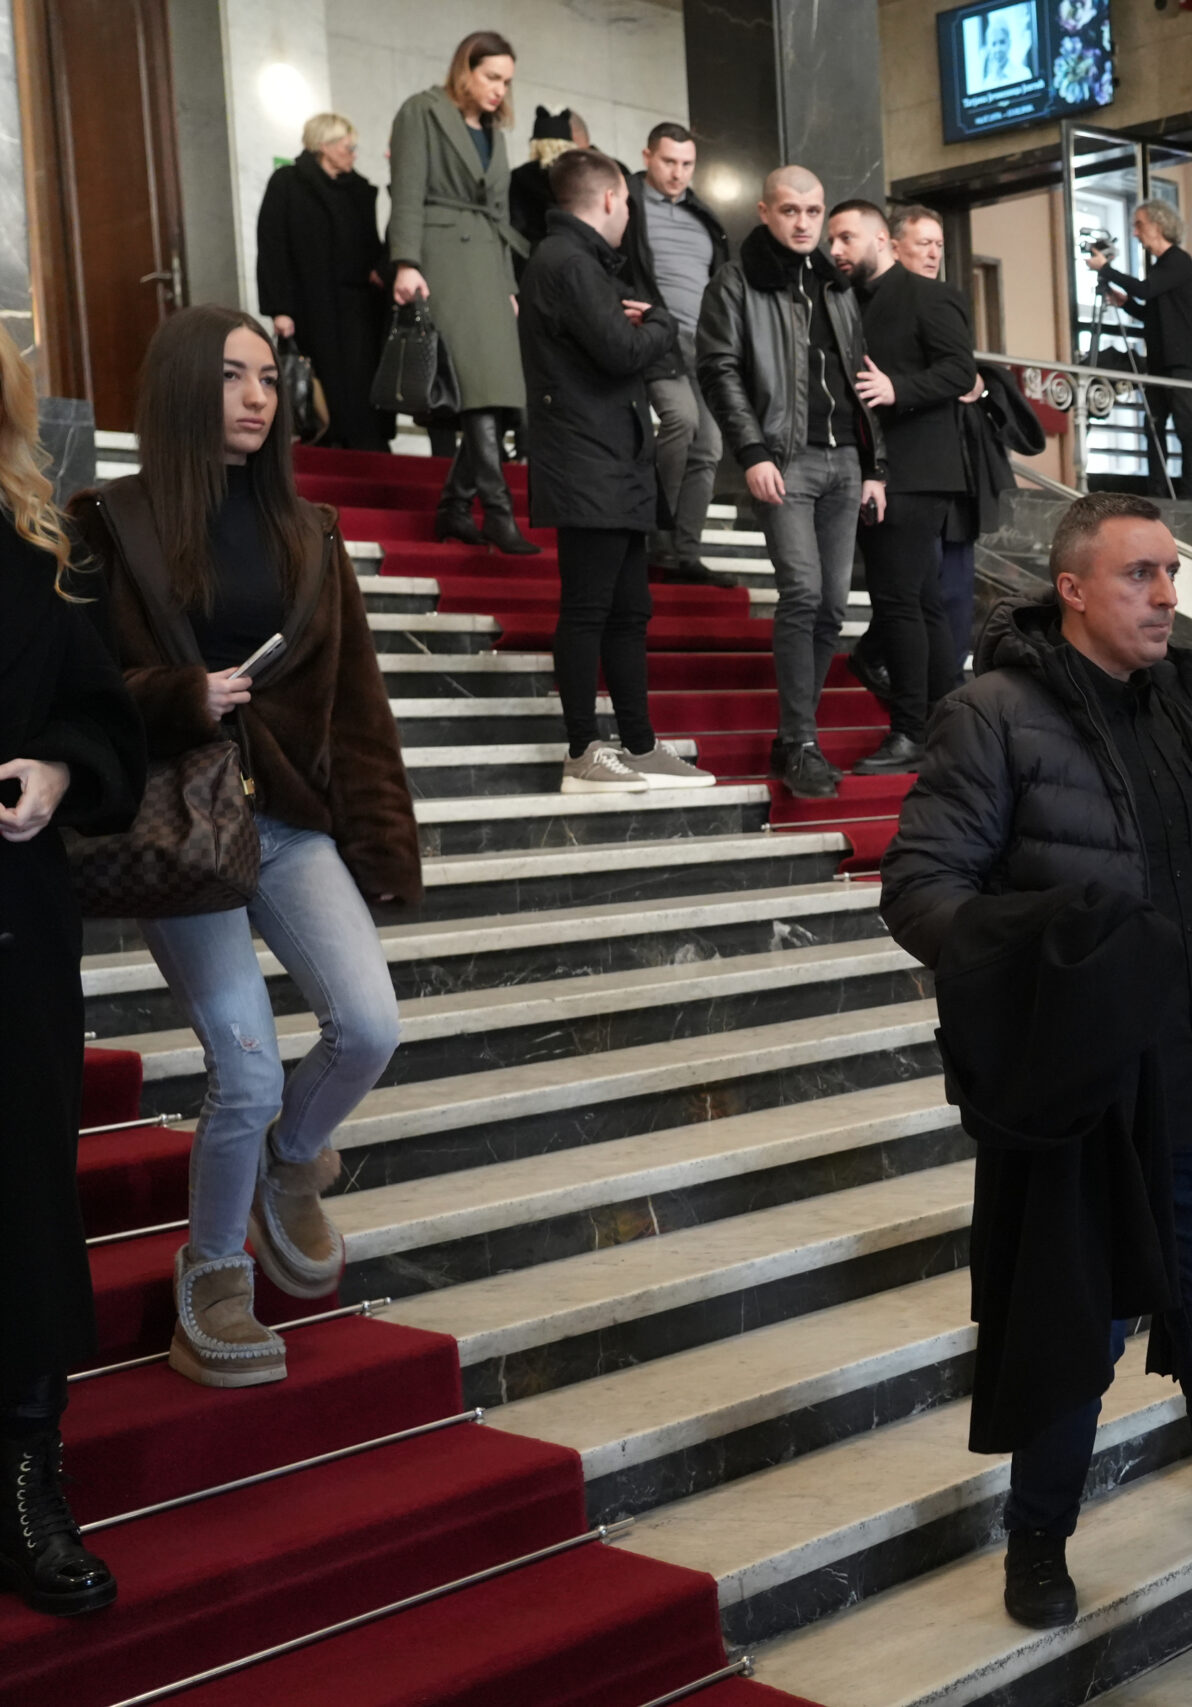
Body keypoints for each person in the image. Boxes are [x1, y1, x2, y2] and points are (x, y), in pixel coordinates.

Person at [880, 493, 1192, 1707]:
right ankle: (1038, 1532)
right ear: (1074, 590)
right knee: (1078, 1341)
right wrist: (1059, 949)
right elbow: (921, 890)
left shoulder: (1177, 712)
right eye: (1140, 574)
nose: (1165, 595)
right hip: (1086, 1105)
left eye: (1170, 573)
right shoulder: (993, 714)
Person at [74, 307, 417, 1390]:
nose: (258, 398)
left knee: (369, 1025)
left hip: (291, 821)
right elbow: (74, 687)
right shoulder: (107, 522)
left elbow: (356, 702)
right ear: (185, 386)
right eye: (231, 377)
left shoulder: (308, 530)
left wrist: (382, 844)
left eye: (270, 377)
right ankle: (215, 1272)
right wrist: (182, 695)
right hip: (183, 825)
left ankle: (287, 1162)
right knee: (247, 1067)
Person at [0, 331, 143, 1618]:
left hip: (13, 924)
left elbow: (106, 718)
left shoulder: (44, 553)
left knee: (25, 1195)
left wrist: (57, 770)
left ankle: (27, 1476)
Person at [519, 148, 715, 796]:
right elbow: (621, 350)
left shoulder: (580, 261)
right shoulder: (568, 261)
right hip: (587, 460)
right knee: (588, 609)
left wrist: (641, 327)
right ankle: (582, 750)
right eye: (627, 201)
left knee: (630, 610)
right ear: (609, 198)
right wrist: (660, 322)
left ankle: (639, 743)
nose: (629, 212)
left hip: (614, 459)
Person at [696, 167, 885, 801]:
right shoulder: (737, 281)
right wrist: (751, 451)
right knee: (802, 592)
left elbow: (857, 378)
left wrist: (875, 466)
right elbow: (718, 368)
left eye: (813, 211)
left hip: (845, 462)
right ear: (765, 212)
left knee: (832, 606)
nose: (803, 222)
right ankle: (801, 741)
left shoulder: (835, 284)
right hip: (786, 457)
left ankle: (792, 737)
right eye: (790, 211)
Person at [826, 200, 975, 776]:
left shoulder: (929, 296)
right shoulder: (845, 300)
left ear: (880, 239)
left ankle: (910, 731)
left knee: (897, 601)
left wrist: (898, 389)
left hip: (918, 471)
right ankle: (943, 724)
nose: (835, 249)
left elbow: (960, 371)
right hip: (878, 468)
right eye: (832, 240)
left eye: (845, 237)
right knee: (921, 601)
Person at [388, 31, 535, 554]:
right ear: (464, 69)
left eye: (507, 81)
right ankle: (497, 510)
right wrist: (406, 263)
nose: (500, 90)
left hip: (488, 264)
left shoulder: (495, 130)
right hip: (443, 256)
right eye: (491, 77)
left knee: (502, 389)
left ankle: (455, 506)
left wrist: (508, 285)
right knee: (477, 387)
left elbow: (499, 214)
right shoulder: (421, 112)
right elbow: (406, 191)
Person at [623, 123, 733, 586]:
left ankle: (686, 552)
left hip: (703, 342)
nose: (678, 172)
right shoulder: (626, 202)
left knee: (709, 447)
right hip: (656, 337)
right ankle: (657, 539)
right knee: (681, 421)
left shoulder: (702, 214)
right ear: (647, 156)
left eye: (687, 164)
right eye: (669, 161)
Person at [885, 205, 989, 675]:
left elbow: (964, 373)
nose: (933, 253)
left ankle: (941, 690)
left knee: (948, 591)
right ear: (894, 247)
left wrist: (979, 384)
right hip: (901, 469)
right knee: (915, 589)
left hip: (950, 468)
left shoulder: (945, 300)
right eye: (923, 243)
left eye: (939, 245)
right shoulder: (879, 307)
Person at [254, 112, 394, 452]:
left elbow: (371, 244)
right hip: (310, 305)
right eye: (348, 147)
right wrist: (279, 309)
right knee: (321, 381)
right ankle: (327, 444)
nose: (354, 154)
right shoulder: (288, 183)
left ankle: (367, 449)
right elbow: (273, 247)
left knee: (362, 382)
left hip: (358, 306)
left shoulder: (358, 189)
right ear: (324, 146)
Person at [1085, 198, 1192, 500]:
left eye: (1139, 225)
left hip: (1180, 360)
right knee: (1153, 425)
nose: (1135, 233)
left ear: (1159, 225)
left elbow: (1146, 289)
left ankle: (1189, 494)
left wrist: (1106, 269)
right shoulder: (1162, 266)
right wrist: (1125, 303)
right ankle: (1157, 492)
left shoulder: (1178, 261)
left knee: (1183, 423)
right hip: (1162, 359)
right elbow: (1151, 313)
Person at [508, 105, 584, 273]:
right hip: (575, 257)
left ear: (536, 144)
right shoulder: (579, 177)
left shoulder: (519, 176)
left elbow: (515, 225)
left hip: (532, 261)